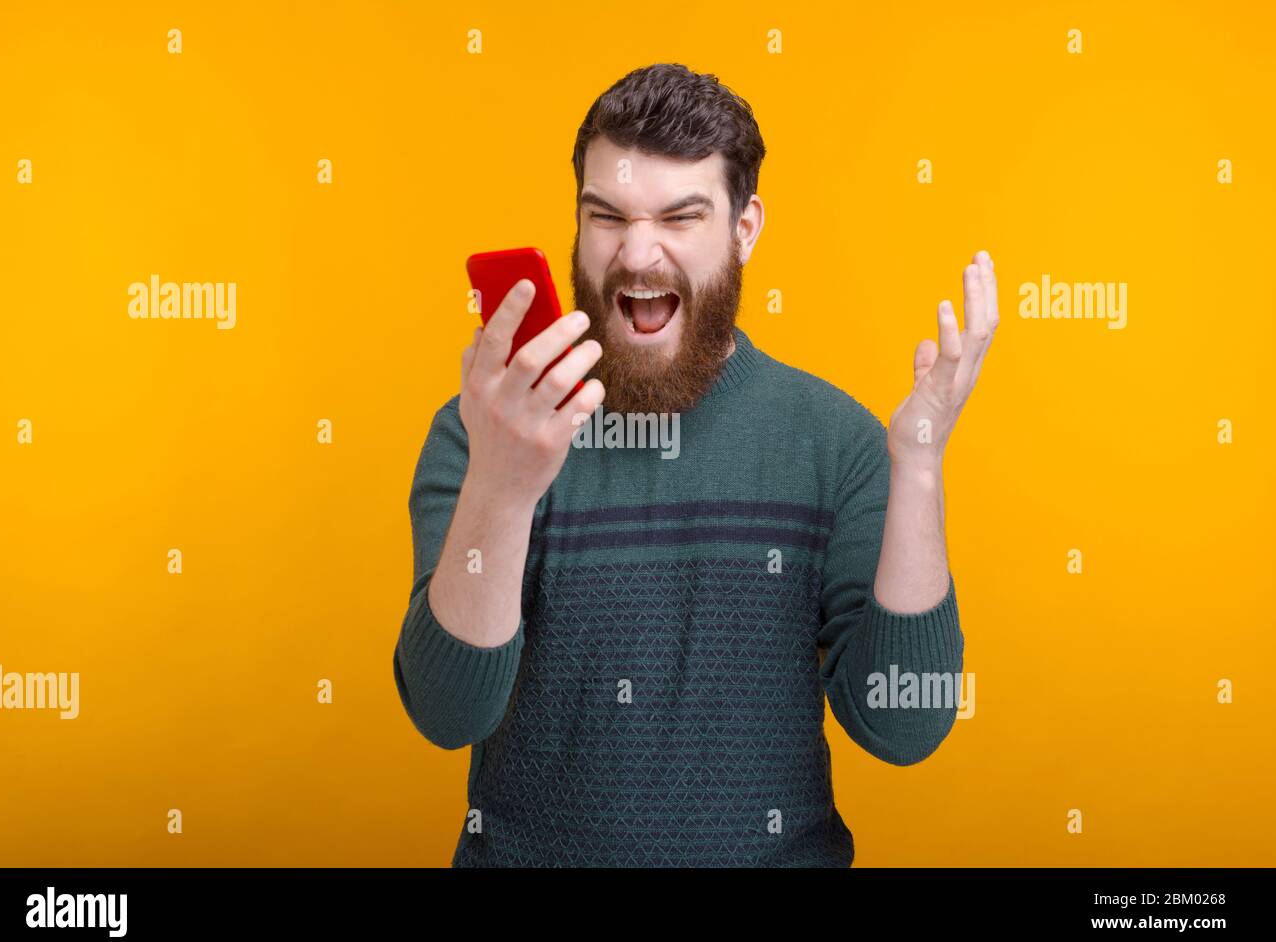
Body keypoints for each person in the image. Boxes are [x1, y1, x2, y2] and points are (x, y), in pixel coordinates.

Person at [394, 62, 998, 866]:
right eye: (607, 217)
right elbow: (446, 709)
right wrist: (502, 488)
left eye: (680, 218)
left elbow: (904, 725)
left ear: (745, 227)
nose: (637, 255)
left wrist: (919, 466)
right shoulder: (483, 430)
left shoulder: (834, 441)